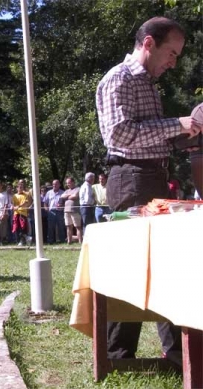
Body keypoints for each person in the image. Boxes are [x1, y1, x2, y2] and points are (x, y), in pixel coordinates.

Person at [96, 16, 201, 364]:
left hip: (150, 177)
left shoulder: (146, 83)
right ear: (149, 44)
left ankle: (176, 355)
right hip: (130, 180)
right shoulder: (119, 78)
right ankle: (118, 356)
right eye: (171, 53)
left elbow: (146, 135)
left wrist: (184, 134)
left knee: (165, 266)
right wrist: (177, 124)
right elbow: (120, 135)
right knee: (130, 267)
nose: (173, 62)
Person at [60, 177, 82, 244]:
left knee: (77, 226)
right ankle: (69, 241)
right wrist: (69, 195)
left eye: (69, 183)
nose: (68, 184)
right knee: (68, 226)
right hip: (66, 211)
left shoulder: (78, 189)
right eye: (67, 183)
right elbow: (62, 196)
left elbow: (75, 196)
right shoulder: (66, 191)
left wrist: (67, 196)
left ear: (73, 182)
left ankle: (80, 241)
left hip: (75, 210)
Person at [11, 180, 32, 246]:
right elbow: (13, 204)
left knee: (23, 228)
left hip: (22, 213)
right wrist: (13, 207)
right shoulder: (14, 196)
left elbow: (26, 203)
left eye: (21, 187)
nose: (20, 189)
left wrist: (18, 206)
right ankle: (21, 240)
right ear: (17, 188)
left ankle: (24, 239)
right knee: (16, 228)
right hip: (16, 214)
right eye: (19, 187)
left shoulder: (26, 194)